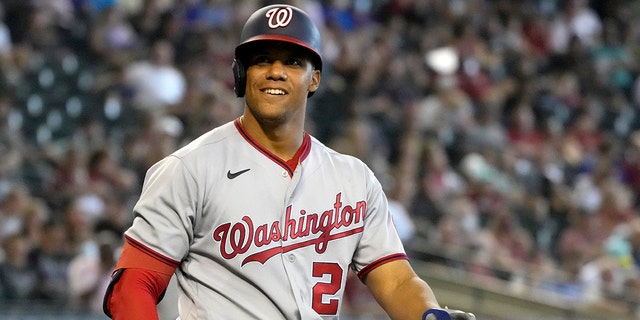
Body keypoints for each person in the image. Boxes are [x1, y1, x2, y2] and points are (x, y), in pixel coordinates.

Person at [102, 4, 475, 320]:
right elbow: (134, 283)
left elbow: (395, 280)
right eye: (261, 59)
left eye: (292, 61)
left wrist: (430, 314)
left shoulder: (354, 178)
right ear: (240, 74)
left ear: (314, 79)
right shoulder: (190, 168)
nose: (275, 71)